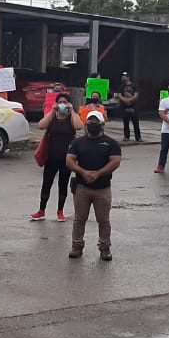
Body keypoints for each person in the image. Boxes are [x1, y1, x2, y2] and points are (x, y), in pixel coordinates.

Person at [67, 110, 122, 260]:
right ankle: (76, 246)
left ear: (102, 125)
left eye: (95, 122)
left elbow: (115, 161)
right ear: (85, 125)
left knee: (103, 220)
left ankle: (105, 248)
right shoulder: (77, 142)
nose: (92, 125)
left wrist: (97, 174)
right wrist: (83, 172)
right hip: (82, 188)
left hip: (103, 188)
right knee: (79, 219)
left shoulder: (111, 143)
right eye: (90, 122)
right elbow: (70, 160)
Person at [31, 94, 82, 222]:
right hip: (51, 157)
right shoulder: (52, 117)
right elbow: (40, 125)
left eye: (65, 102)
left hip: (66, 158)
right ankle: (41, 210)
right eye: (60, 102)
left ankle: (60, 211)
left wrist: (72, 111)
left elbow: (79, 126)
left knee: (63, 185)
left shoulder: (71, 118)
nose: (62, 104)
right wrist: (53, 111)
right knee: (46, 184)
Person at [115, 73, 141, 142]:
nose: (123, 78)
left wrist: (130, 100)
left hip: (133, 106)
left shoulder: (134, 85)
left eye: (124, 76)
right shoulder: (121, 86)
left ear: (128, 77)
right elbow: (119, 95)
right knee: (125, 122)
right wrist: (125, 100)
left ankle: (138, 137)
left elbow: (136, 94)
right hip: (124, 107)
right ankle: (126, 136)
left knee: (135, 122)